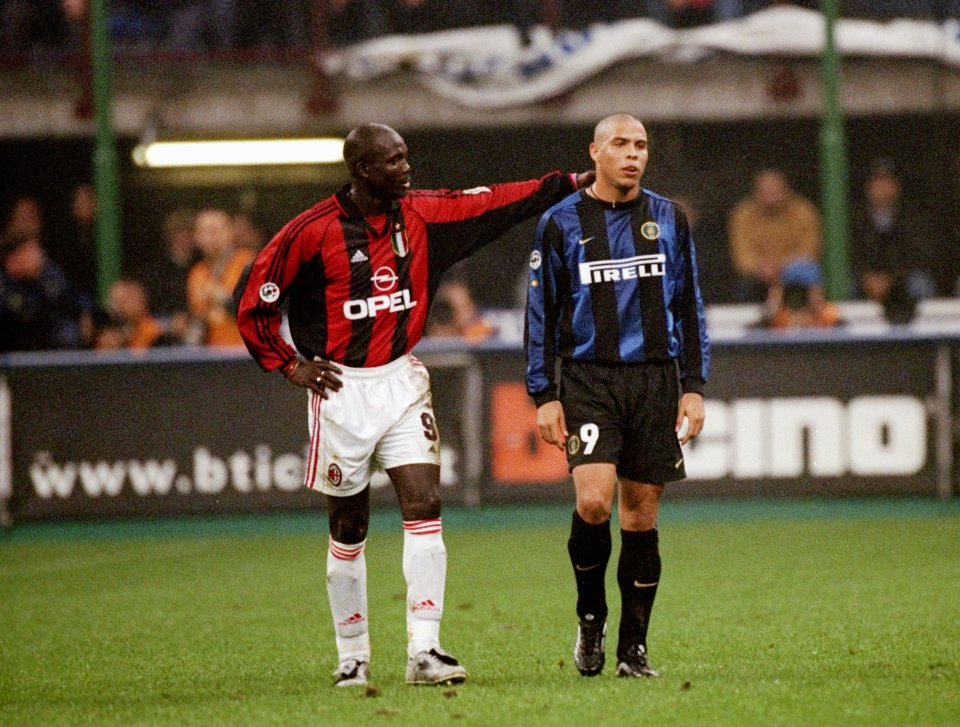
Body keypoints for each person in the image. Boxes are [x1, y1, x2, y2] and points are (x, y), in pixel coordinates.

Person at [235, 122, 593, 688]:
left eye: (406, 158)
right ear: (361, 170)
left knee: (425, 504)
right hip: (341, 389)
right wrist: (290, 364)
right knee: (348, 527)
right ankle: (352, 654)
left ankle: (425, 650)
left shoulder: (422, 213)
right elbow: (253, 303)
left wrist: (569, 182)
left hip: (402, 380)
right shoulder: (309, 232)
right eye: (394, 161)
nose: (407, 168)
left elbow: (493, 202)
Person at [525, 113, 709, 680]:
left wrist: (694, 387)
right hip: (589, 379)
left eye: (642, 146)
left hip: (654, 379)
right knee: (594, 503)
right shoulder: (560, 223)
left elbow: (689, 305)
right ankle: (590, 616)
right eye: (621, 145)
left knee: (641, 514)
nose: (633, 154)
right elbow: (541, 313)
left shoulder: (668, 217)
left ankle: (634, 649)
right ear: (596, 153)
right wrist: (543, 393)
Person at [850, 158, 935, 323]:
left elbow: (920, 255)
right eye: (877, 182)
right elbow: (848, 255)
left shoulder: (912, 217)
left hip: (901, 279)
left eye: (886, 182)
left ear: (896, 186)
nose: (881, 188)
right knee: (844, 285)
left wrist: (891, 279)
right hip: (865, 281)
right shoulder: (855, 218)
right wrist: (866, 278)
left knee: (921, 284)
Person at [728, 168, 822, 303]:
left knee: (809, 275)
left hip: (794, 273)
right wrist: (761, 267)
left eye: (775, 191)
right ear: (756, 192)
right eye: (765, 191)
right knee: (745, 285)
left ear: (786, 190)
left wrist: (782, 267)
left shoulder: (804, 212)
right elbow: (742, 255)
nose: (770, 196)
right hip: (758, 276)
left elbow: (809, 250)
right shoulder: (743, 214)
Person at [0, 228, 92, 352]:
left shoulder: (49, 274)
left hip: (54, 350)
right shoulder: (6, 286)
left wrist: (86, 313)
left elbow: (73, 297)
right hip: (20, 353)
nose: (39, 255)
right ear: (13, 259)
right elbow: (31, 317)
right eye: (30, 251)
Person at [186, 207, 254, 346]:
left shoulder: (248, 263)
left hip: (246, 354)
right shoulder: (197, 273)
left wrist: (223, 298)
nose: (214, 236)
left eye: (218, 230)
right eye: (207, 231)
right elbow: (199, 318)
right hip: (212, 357)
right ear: (197, 237)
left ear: (231, 232)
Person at [760, 257, 842, 329]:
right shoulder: (778, 320)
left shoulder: (830, 319)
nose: (798, 298)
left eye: (804, 292)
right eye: (792, 292)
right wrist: (771, 313)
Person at [425, 278, 495, 342]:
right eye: (451, 308)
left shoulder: (481, 329)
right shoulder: (435, 331)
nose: (468, 311)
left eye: (467, 305)